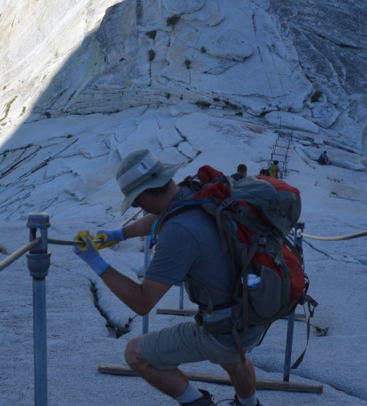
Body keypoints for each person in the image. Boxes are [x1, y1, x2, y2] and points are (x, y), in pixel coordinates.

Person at [72, 149, 265, 406]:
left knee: (137, 353)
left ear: (142, 195)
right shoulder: (192, 190)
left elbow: (143, 303)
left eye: (135, 202)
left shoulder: (179, 232)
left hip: (225, 328)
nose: (137, 207)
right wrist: (117, 235)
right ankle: (249, 404)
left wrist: (94, 262)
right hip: (253, 308)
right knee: (233, 356)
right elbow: (161, 216)